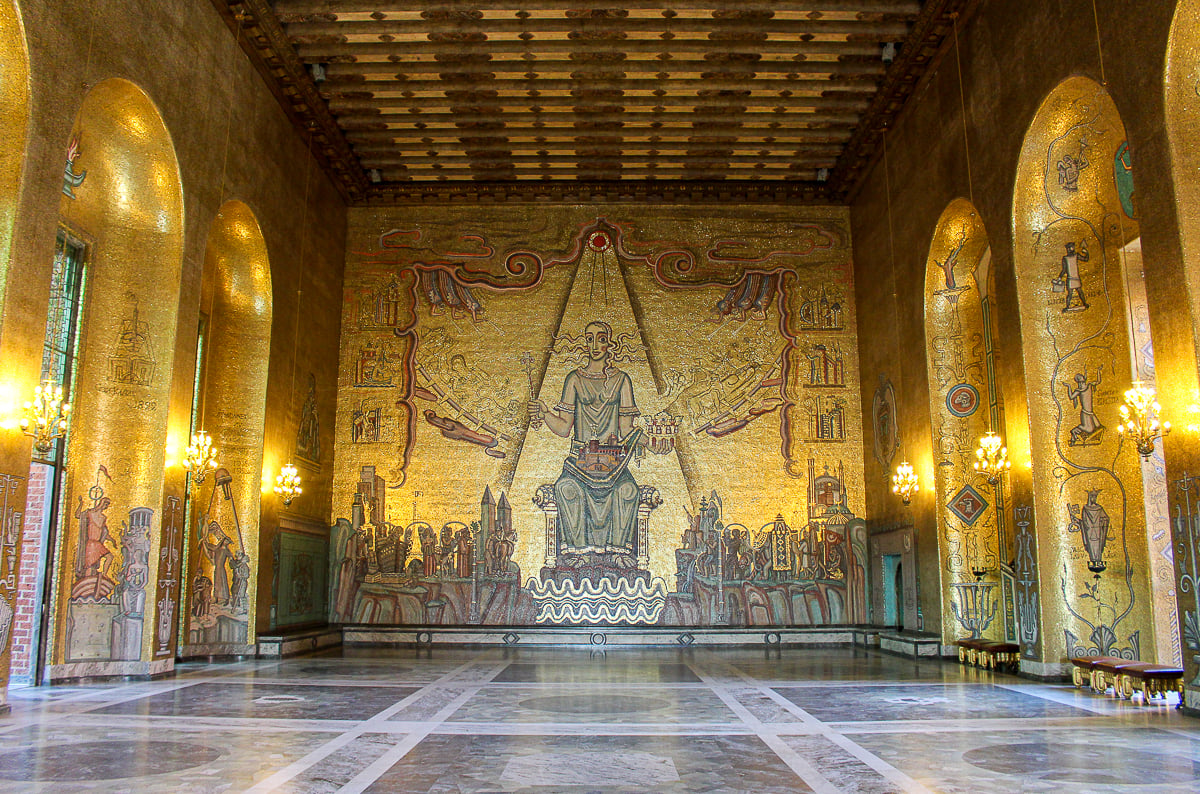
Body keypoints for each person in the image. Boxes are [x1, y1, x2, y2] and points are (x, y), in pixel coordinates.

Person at [530, 321, 664, 568]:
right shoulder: (574, 379)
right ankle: (578, 553)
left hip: (613, 463)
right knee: (567, 488)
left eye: (601, 339)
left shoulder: (622, 380)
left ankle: (620, 554)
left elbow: (626, 430)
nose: (595, 345)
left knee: (628, 491)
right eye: (590, 339)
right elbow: (563, 428)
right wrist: (544, 412)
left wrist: (652, 443)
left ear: (609, 344)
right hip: (580, 462)